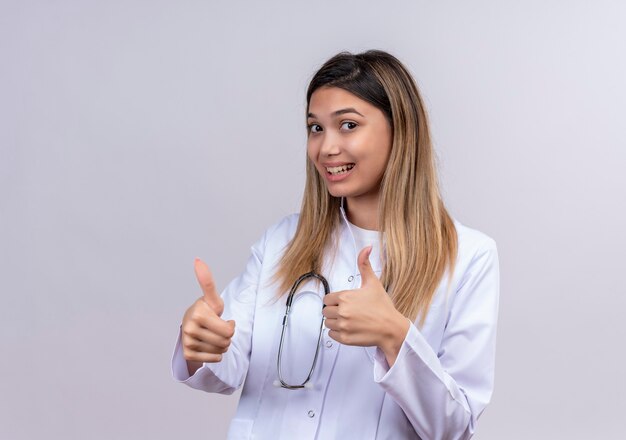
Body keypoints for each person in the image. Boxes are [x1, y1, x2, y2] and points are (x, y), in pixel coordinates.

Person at [171, 50, 500, 440]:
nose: (326, 148)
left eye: (347, 125)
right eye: (316, 128)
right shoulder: (282, 242)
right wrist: (201, 342)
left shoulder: (469, 258)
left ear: (402, 131)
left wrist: (395, 336)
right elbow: (224, 367)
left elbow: (453, 427)